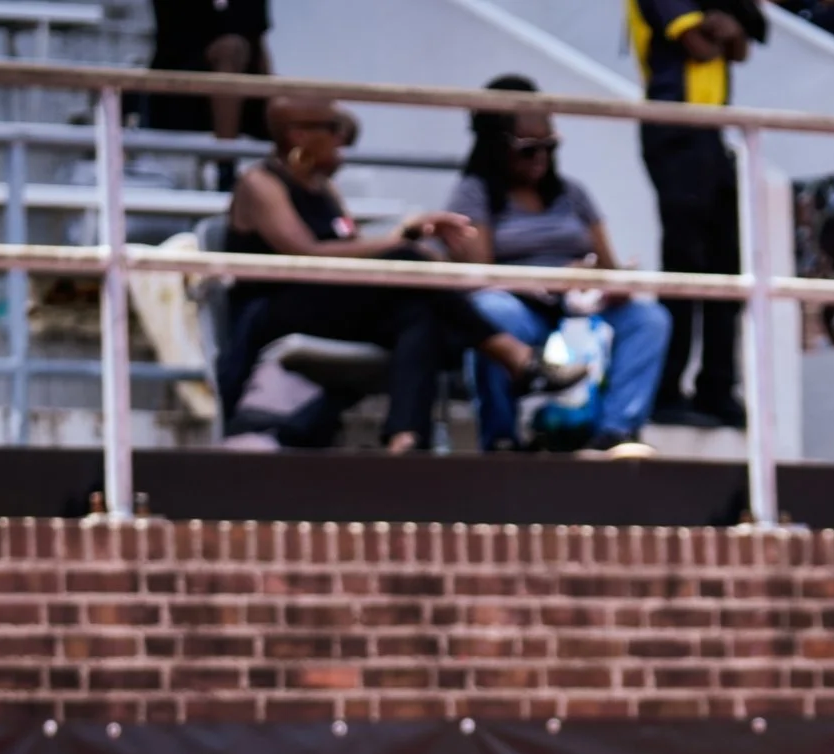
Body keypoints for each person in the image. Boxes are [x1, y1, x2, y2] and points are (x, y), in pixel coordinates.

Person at [218, 98, 585, 452]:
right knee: (408, 265)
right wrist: (402, 242)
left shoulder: (323, 188)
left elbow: (352, 250)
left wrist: (407, 238)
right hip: (274, 310)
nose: (342, 139)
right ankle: (514, 356)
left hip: (328, 305)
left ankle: (405, 440)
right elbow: (306, 255)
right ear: (296, 134)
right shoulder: (260, 183)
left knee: (418, 314)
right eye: (333, 129)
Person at [442, 77, 671, 454]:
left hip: (581, 310)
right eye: (528, 149)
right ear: (496, 146)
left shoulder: (573, 193)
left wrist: (610, 283)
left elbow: (609, 266)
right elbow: (480, 273)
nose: (541, 157)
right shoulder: (474, 193)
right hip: (521, 307)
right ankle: (501, 438)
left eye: (549, 146)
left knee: (649, 320)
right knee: (490, 312)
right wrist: (550, 280)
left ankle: (615, 433)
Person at [630, 0, 756, 429]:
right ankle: (667, 390)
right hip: (674, 129)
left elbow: (741, 48)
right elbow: (700, 46)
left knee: (727, 269)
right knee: (684, 268)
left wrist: (726, 29)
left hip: (711, 135)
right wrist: (723, 29)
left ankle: (717, 389)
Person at [141, 0, 270, 165]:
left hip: (244, 95)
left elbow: (259, 48)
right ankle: (225, 163)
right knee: (230, 50)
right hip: (180, 87)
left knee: (292, 101)